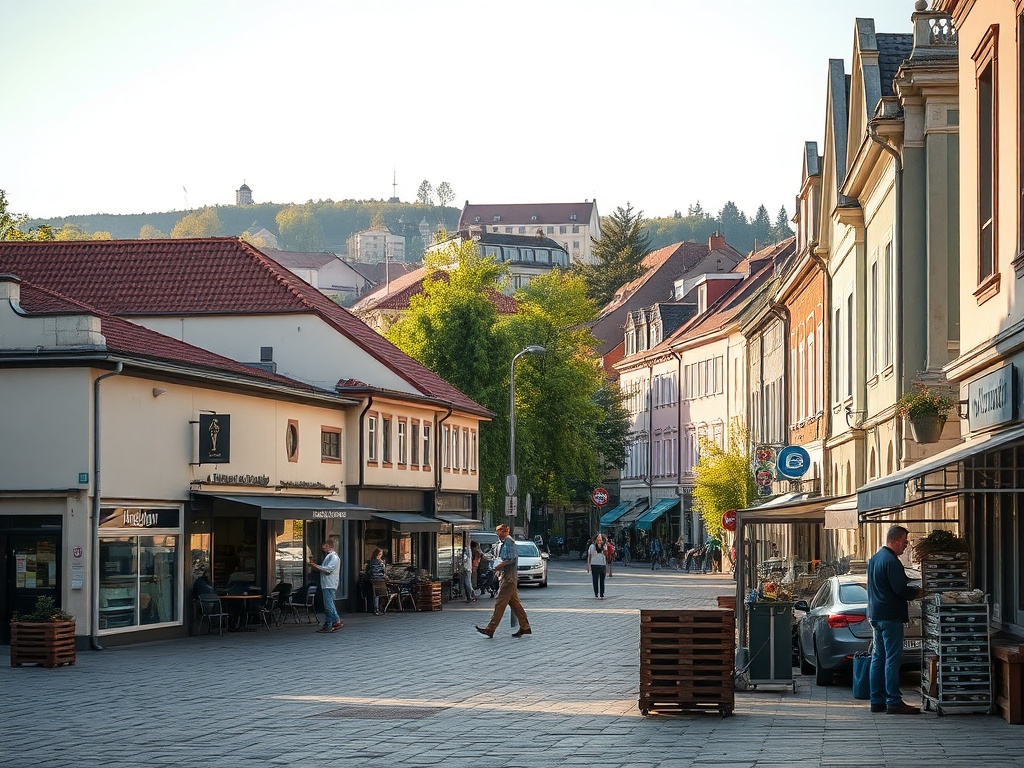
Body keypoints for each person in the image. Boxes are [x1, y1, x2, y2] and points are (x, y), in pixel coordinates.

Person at [867, 525, 924, 715]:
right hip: (890, 616)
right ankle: (893, 701)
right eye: (905, 542)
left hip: (876, 614)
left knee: (878, 657)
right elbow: (900, 589)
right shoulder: (892, 561)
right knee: (892, 658)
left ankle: (876, 700)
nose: (906, 546)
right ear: (897, 540)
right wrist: (918, 593)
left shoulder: (875, 559)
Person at [475, 524, 531, 638]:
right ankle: (525, 627)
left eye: (498, 532)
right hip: (507, 576)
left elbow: (510, 559)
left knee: (500, 602)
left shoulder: (509, 542)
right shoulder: (504, 542)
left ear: (505, 532)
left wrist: (498, 566)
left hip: (509, 578)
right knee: (515, 603)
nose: (497, 534)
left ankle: (490, 629)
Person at [308, 539, 342, 633]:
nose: (323, 547)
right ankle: (336, 621)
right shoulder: (330, 556)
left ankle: (329, 624)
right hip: (327, 584)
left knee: (328, 605)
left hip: (329, 584)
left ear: (329, 546)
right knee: (330, 604)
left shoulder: (333, 557)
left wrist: (316, 566)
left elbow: (328, 569)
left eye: (325, 546)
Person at [365, 547, 387, 615]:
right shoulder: (381, 562)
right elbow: (384, 571)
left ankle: (376, 608)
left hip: (373, 579)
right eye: (380, 554)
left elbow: (368, 571)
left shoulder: (371, 562)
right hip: (380, 579)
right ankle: (379, 608)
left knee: (376, 594)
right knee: (381, 594)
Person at [586, 534, 608, 599]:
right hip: (594, 564)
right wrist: (588, 565)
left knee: (602, 580)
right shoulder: (592, 546)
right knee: (595, 580)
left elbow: (606, 555)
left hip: (602, 564)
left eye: (600, 538)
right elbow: (589, 556)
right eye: (598, 538)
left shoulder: (604, 545)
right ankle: (596, 593)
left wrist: (604, 549)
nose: (599, 540)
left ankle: (602, 594)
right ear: (595, 539)